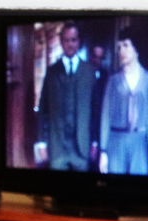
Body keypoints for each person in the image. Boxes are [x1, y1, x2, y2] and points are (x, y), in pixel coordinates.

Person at [37, 21, 96, 171]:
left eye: (73, 40)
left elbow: (95, 110)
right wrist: (41, 142)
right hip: (58, 147)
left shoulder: (89, 72)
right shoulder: (51, 72)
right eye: (66, 40)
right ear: (61, 42)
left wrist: (95, 142)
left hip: (81, 147)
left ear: (79, 41)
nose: (70, 44)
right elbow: (43, 110)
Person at [99, 27, 148, 176]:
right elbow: (105, 116)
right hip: (116, 141)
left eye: (126, 45)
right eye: (119, 47)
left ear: (136, 49)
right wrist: (103, 151)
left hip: (139, 143)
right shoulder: (113, 81)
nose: (121, 51)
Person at [89, 45, 108, 171]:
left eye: (100, 58)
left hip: (100, 124)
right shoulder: (82, 74)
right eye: (95, 57)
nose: (97, 61)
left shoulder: (106, 76)